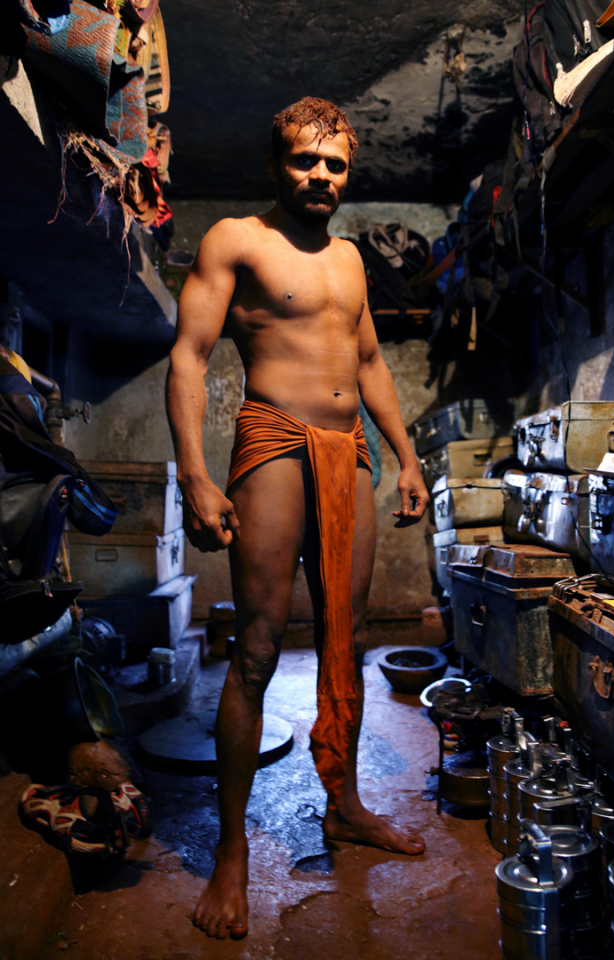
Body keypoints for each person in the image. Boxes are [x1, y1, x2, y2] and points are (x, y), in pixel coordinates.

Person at [166, 96, 430, 941]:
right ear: (276, 163)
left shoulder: (352, 259)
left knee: (346, 636)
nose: (320, 177)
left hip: (350, 449)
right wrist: (196, 477)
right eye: (304, 162)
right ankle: (233, 851)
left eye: (335, 165)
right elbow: (189, 358)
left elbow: (371, 362)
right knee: (256, 647)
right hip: (274, 440)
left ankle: (344, 805)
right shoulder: (236, 241)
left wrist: (408, 455)